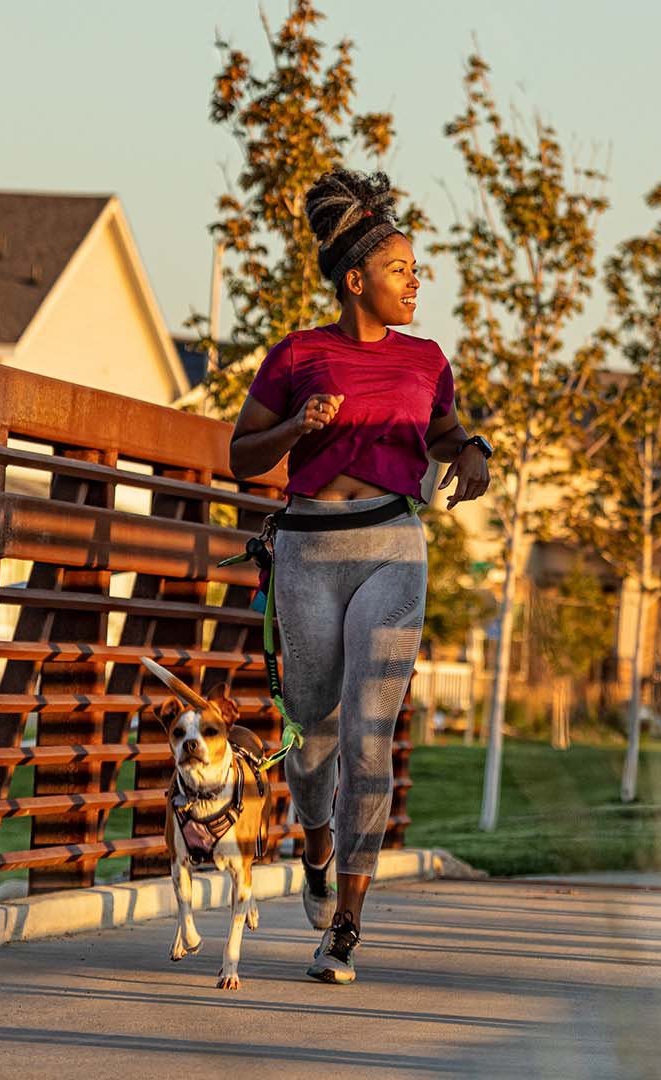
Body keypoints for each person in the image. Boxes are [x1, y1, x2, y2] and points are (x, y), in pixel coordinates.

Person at [227, 166, 491, 984]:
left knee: (371, 737)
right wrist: (297, 427)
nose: (418, 280)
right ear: (355, 280)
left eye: (417, 269)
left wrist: (472, 451)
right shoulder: (298, 354)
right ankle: (312, 842)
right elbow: (240, 458)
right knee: (312, 736)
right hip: (307, 549)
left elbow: (445, 433)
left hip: (391, 546)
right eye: (401, 269)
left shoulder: (427, 359)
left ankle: (344, 925)